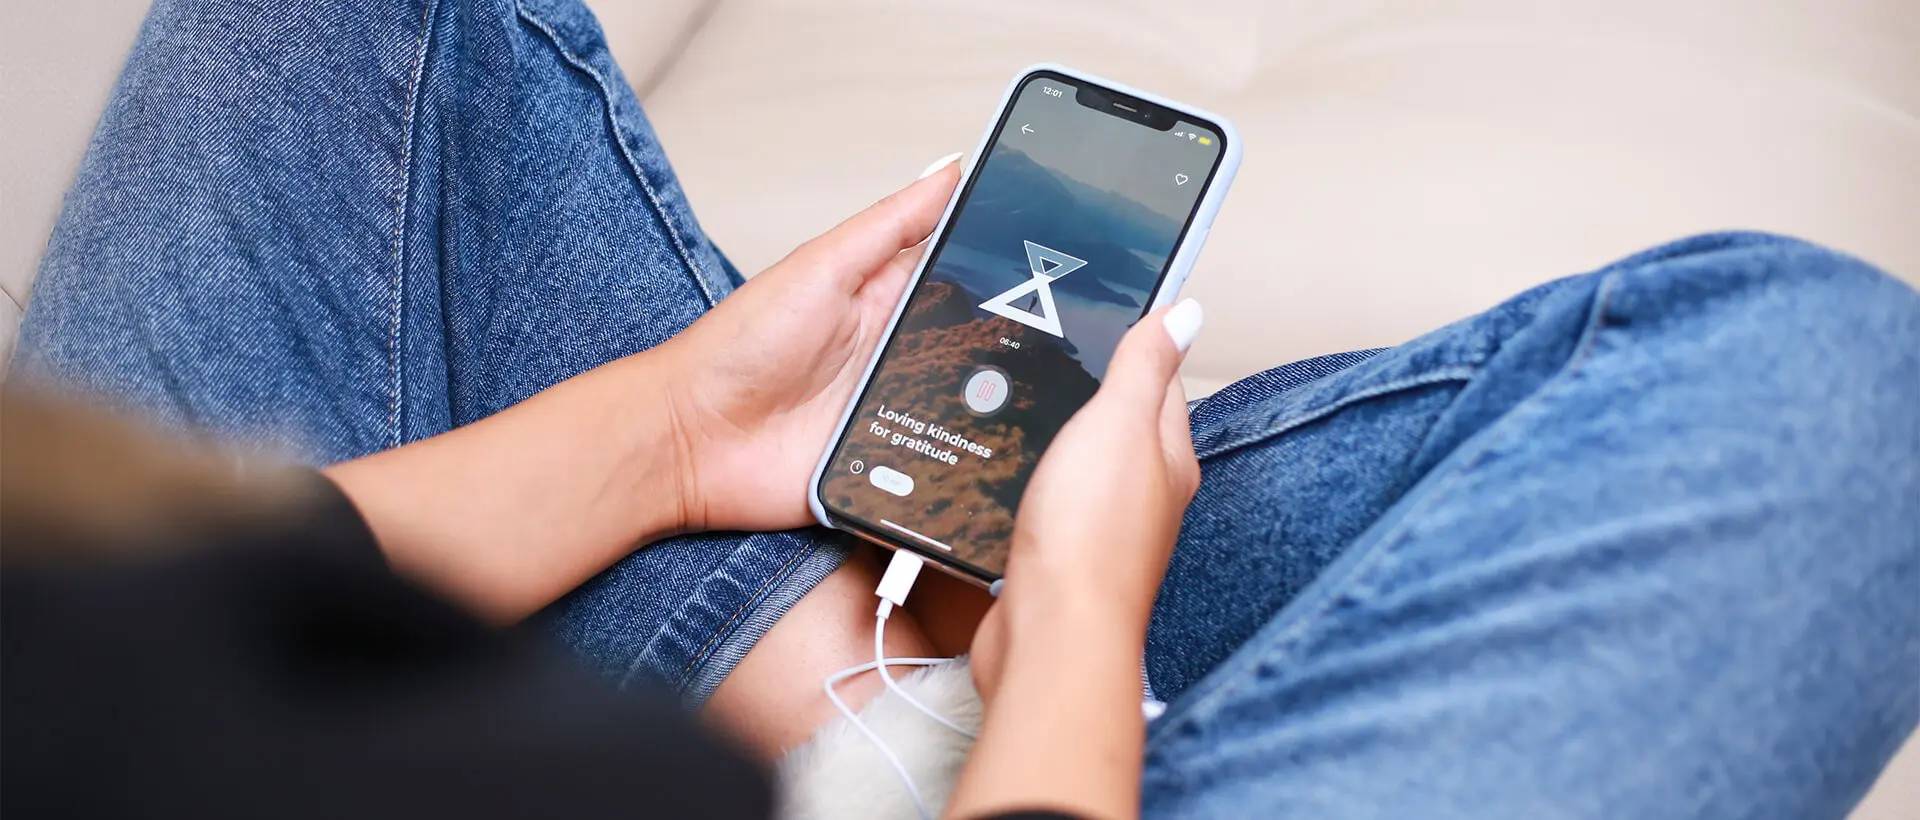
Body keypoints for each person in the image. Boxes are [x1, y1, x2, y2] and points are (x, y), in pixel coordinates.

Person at [5, 0, 1915, 816]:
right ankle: (893, 685)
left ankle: (798, 612)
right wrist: (1066, 629)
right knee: (1845, 408)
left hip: (369, 662)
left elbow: (139, 615)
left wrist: (677, 439)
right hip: (1026, 726)